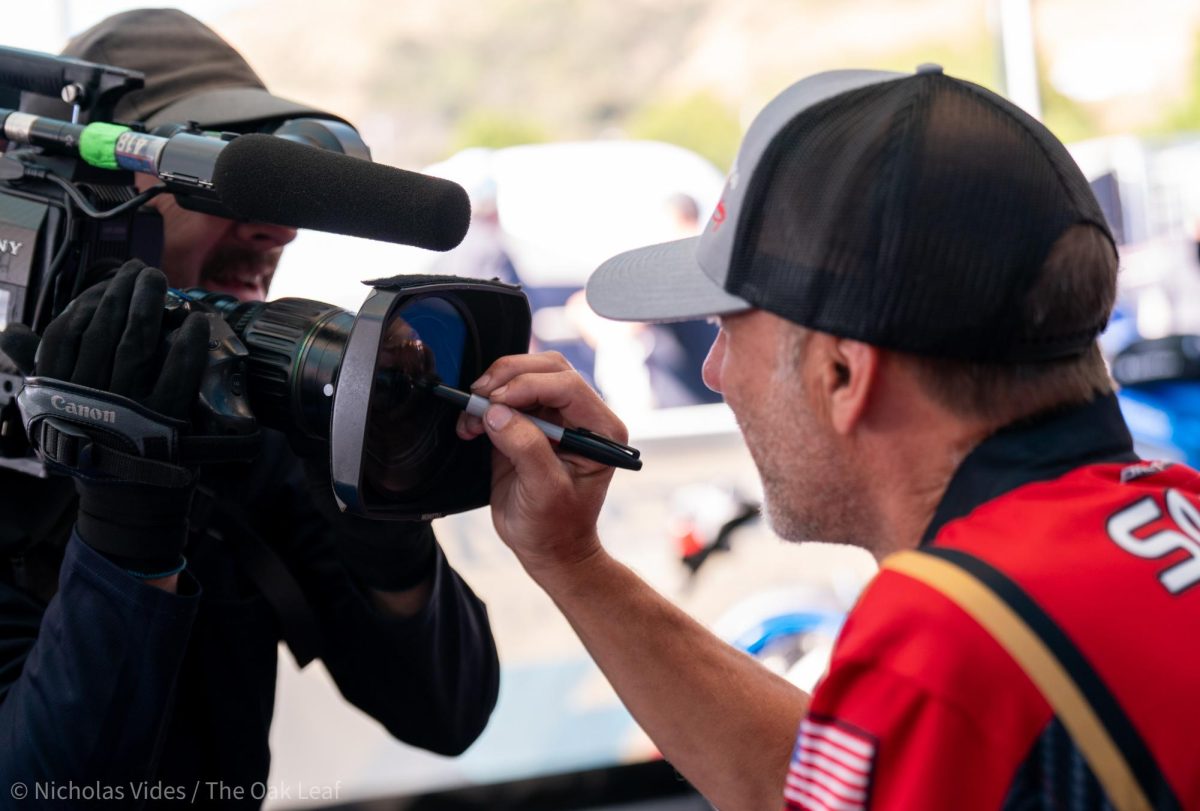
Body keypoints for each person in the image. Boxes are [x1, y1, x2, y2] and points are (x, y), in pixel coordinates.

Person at [458, 66, 1200, 809]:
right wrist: (573, 562)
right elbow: (814, 784)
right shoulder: (1172, 510)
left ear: (843, 373)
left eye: (726, 327)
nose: (714, 371)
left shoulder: (942, 646)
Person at [0, 9, 498, 807]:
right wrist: (128, 529)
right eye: (216, 178)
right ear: (90, 195)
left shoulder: (240, 426)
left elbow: (448, 711)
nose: (277, 229)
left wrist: (383, 523)